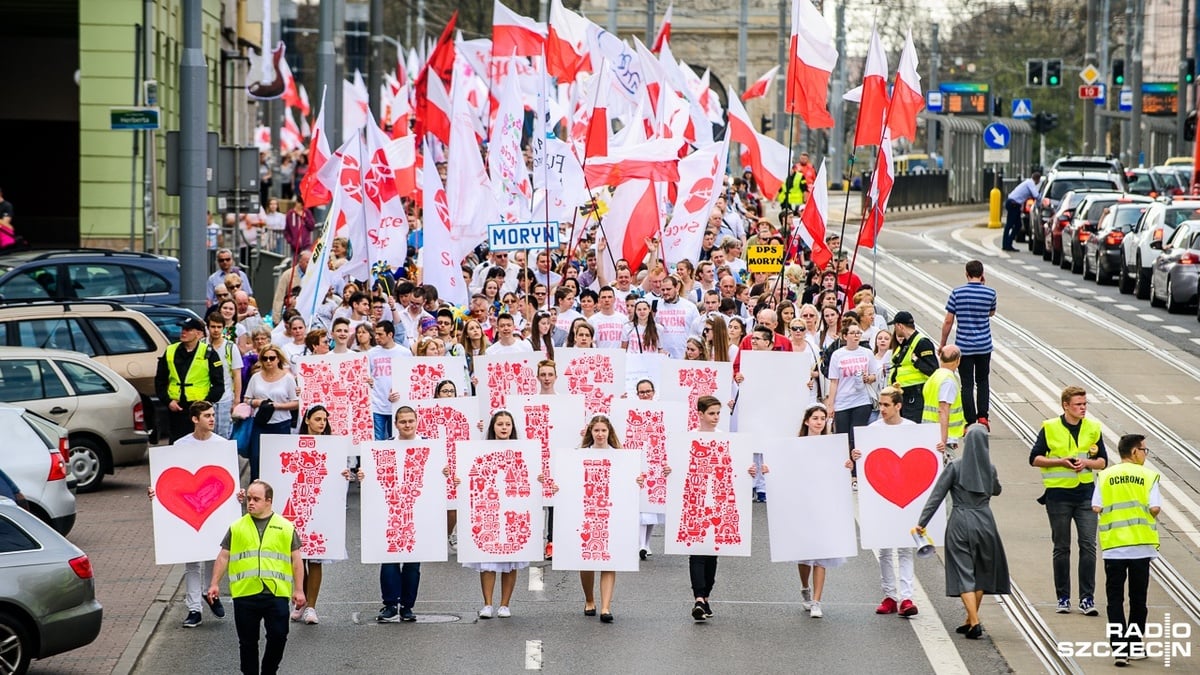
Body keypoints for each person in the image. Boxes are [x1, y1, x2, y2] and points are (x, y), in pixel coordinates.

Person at [207, 480, 304, 675]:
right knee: (247, 643)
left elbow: (296, 559)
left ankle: (269, 671)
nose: (250, 503)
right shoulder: (237, 527)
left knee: (279, 636)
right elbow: (224, 556)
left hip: (275, 593)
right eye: (249, 499)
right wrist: (214, 583)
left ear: (269, 501)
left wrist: (299, 589)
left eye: (256, 499)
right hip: (245, 593)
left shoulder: (285, 527)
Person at [146, 402, 229, 628]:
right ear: (195, 419)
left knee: (214, 555)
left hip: (213, 505)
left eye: (213, 415)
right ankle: (194, 609)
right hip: (189, 506)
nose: (212, 419)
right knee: (191, 559)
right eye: (207, 416)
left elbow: (227, 478)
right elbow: (169, 476)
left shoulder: (222, 445)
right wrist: (156, 491)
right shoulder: (181, 445)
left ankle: (209, 592)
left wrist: (238, 495)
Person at [1029, 385, 1108, 616]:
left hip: (1085, 494)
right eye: (1078, 405)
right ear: (1066, 406)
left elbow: (1103, 461)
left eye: (1085, 404)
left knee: (1088, 546)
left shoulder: (1093, 428)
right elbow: (1034, 458)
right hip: (1058, 496)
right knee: (1062, 548)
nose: (1083, 408)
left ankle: (1087, 598)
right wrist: (1060, 462)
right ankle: (1063, 597)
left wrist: (1086, 464)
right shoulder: (1050, 427)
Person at [852, 388, 920, 617]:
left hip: (905, 495)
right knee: (884, 549)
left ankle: (907, 597)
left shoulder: (911, 429)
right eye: (880, 404)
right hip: (881, 496)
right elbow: (866, 460)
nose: (881, 409)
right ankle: (890, 595)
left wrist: (936, 448)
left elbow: (920, 457)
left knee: (904, 548)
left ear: (898, 406)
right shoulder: (872, 430)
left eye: (886, 405)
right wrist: (857, 457)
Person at [1094, 434, 1160, 667]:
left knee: (1114, 599)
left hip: (1114, 548)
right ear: (1134, 452)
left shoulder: (1104, 475)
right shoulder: (1149, 476)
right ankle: (1134, 643)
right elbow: (1154, 508)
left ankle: (1119, 648)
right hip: (1140, 548)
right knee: (1138, 598)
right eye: (1144, 450)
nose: (1145, 454)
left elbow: (1096, 506)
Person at [463, 410, 528, 619]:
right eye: (499, 424)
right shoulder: (481, 450)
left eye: (507, 424)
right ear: (493, 427)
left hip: (512, 509)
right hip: (489, 507)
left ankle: (505, 604)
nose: (503, 428)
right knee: (488, 559)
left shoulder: (523, 451)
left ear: (512, 428)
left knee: (510, 561)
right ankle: (487, 604)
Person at [377, 406, 428, 623]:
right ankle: (390, 604)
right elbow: (375, 473)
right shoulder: (385, 447)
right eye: (403, 421)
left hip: (418, 510)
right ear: (396, 424)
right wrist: (363, 474)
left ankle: (407, 606)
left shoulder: (428, 445)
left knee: (412, 563)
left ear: (417, 422)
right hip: (391, 508)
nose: (407, 425)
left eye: (411, 421)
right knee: (388, 559)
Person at [940, 260, 997, 428]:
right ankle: (983, 417)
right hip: (984, 346)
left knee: (967, 383)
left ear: (966, 274)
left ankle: (970, 420)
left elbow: (948, 321)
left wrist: (943, 343)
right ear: (982, 274)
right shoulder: (990, 293)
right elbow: (991, 313)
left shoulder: (957, 293)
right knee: (983, 381)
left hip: (964, 346)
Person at [824, 322, 880, 484]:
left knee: (856, 436)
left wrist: (867, 378)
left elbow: (874, 375)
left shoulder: (867, 353)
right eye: (853, 333)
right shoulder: (838, 355)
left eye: (858, 333)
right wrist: (830, 404)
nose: (856, 336)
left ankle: (856, 472)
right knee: (843, 436)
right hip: (842, 400)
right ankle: (843, 469)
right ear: (845, 336)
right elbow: (834, 381)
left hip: (861, 400)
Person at [155, 318, 225, 442]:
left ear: (199, 334)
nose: (183, 332)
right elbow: (160, 381)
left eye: (188, 330)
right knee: (177, 444)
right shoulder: (171, 351)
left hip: (199, 409)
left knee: (200, 443)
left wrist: (206, 404)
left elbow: (219, 385)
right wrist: (168, 401)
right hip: (176, 408)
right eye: (183, 329)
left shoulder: (208, 353)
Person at [689, 396, 724, 622]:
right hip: (694, 500)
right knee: (697, 551)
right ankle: (699, 598)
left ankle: (706, 596)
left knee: (712, 553)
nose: (715, 417)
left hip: (717, 500)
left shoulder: (724, 439)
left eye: (718, 413)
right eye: (711, 413)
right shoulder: (689, 438)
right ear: (700, 414)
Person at [244, 346, 299, 481]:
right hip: (260, 422)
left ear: (278, 359)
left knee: (280, 460)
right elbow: (246, 398)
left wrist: (277, 406)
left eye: (272, 358)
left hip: (281, 423)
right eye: (265, 358)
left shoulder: (288, 378)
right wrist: (257, 402)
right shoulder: (256, 377)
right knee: (256, 458)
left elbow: (296, 403)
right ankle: (256, 489)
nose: (268, 361)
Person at [888, 311, 939, 424]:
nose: (895, 330)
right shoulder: (906, 343)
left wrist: (917, 361)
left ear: (899, 326)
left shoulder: (922, 342)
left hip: (915, 392)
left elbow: (933, 369)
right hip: (902, 393)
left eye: (895, 326)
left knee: (912, 426)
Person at [368, 321, 411, 440]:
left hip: (397, 403)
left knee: (396, 439)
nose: (377, 337)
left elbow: (410, 378)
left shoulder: (405, 353)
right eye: (376, 334)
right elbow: (366, 375)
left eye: (380, 334)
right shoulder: (371, 354)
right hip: (376, 403)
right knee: (378, 440)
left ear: (390, 334)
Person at [205, 311, 244, 439]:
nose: (216, 330)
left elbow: (237, 374)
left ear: (223, 328)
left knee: (223, 434)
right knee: (205, 434)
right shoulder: (201, 345)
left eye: (219, 327)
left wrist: (237, 400)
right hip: (204, 396)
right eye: (213, 327)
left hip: (225, 398)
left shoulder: (230, 347)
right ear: (208, 327)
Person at [922, 345, 965, 455]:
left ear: (940, 357)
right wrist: (943, 439)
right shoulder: (948, 381)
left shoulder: (935, 376)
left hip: (929, 432)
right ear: (958, 360)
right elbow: (943, 410)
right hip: (942, 439)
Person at [1003, 171, 1042, 251]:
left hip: (1014, 203)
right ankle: (1006, 244)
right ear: (1038, 179)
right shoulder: (1030, 183)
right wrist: (1041, 201)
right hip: (1013, 204)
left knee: (1017, 225)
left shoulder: (1028, 182)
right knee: (1010, 225)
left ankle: (1008, 243)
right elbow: (1036, 195)